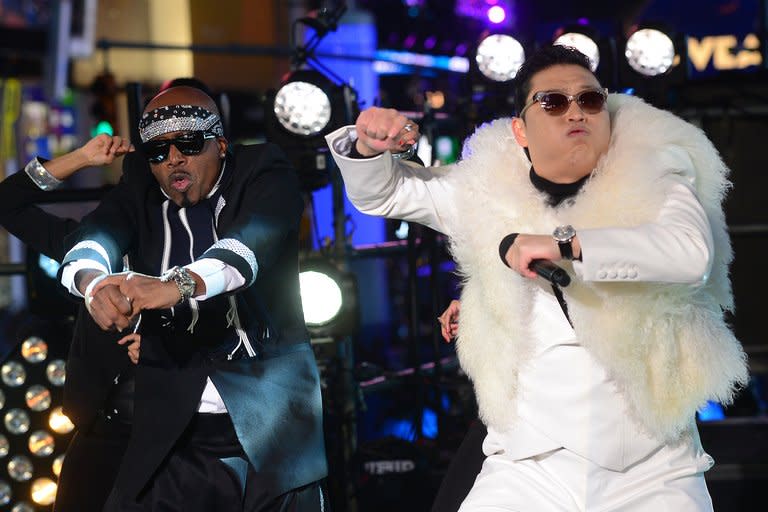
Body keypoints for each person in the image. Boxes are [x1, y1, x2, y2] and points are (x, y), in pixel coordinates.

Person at [327, 45, 748, 510]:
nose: (576, 113)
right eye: (553, 102)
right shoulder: (485, 190)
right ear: (521, 130)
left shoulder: (657, 178)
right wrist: (368, 146)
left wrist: (564, 244)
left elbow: (690, 254)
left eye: (590, 101)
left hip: (655, 464)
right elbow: (385, 194)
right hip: (529, 463)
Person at [57, 85, 327, 511]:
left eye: (188, 143)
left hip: (264, 409)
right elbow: (94, 238)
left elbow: (249, 246)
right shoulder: (142, 190)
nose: (174, 159)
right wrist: (94, 287)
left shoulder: (263, 169)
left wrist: (177, 285)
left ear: (220, 144)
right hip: (174, 418)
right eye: (159, 152)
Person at [0, 134, 141, 511]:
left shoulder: (205, 256)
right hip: (102, 432)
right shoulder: (86, 246)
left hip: (186, 436)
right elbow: (6, 202)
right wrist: (80, 158)